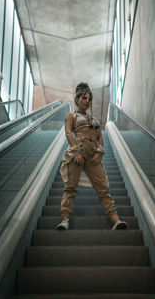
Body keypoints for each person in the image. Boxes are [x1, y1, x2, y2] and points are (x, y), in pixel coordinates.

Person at [56, 82, 127, 230]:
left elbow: (100, 136)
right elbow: (68, 132)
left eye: (89, 99)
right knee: (70, 187)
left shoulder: (94, 120)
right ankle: (65, 220)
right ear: (77, 99)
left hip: (93, 153)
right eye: (84, 98)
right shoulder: (71, 116)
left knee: (103, 187)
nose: (87, 101)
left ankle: (116, 221)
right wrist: (75, 151)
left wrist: (99, 152)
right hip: (78, 150)